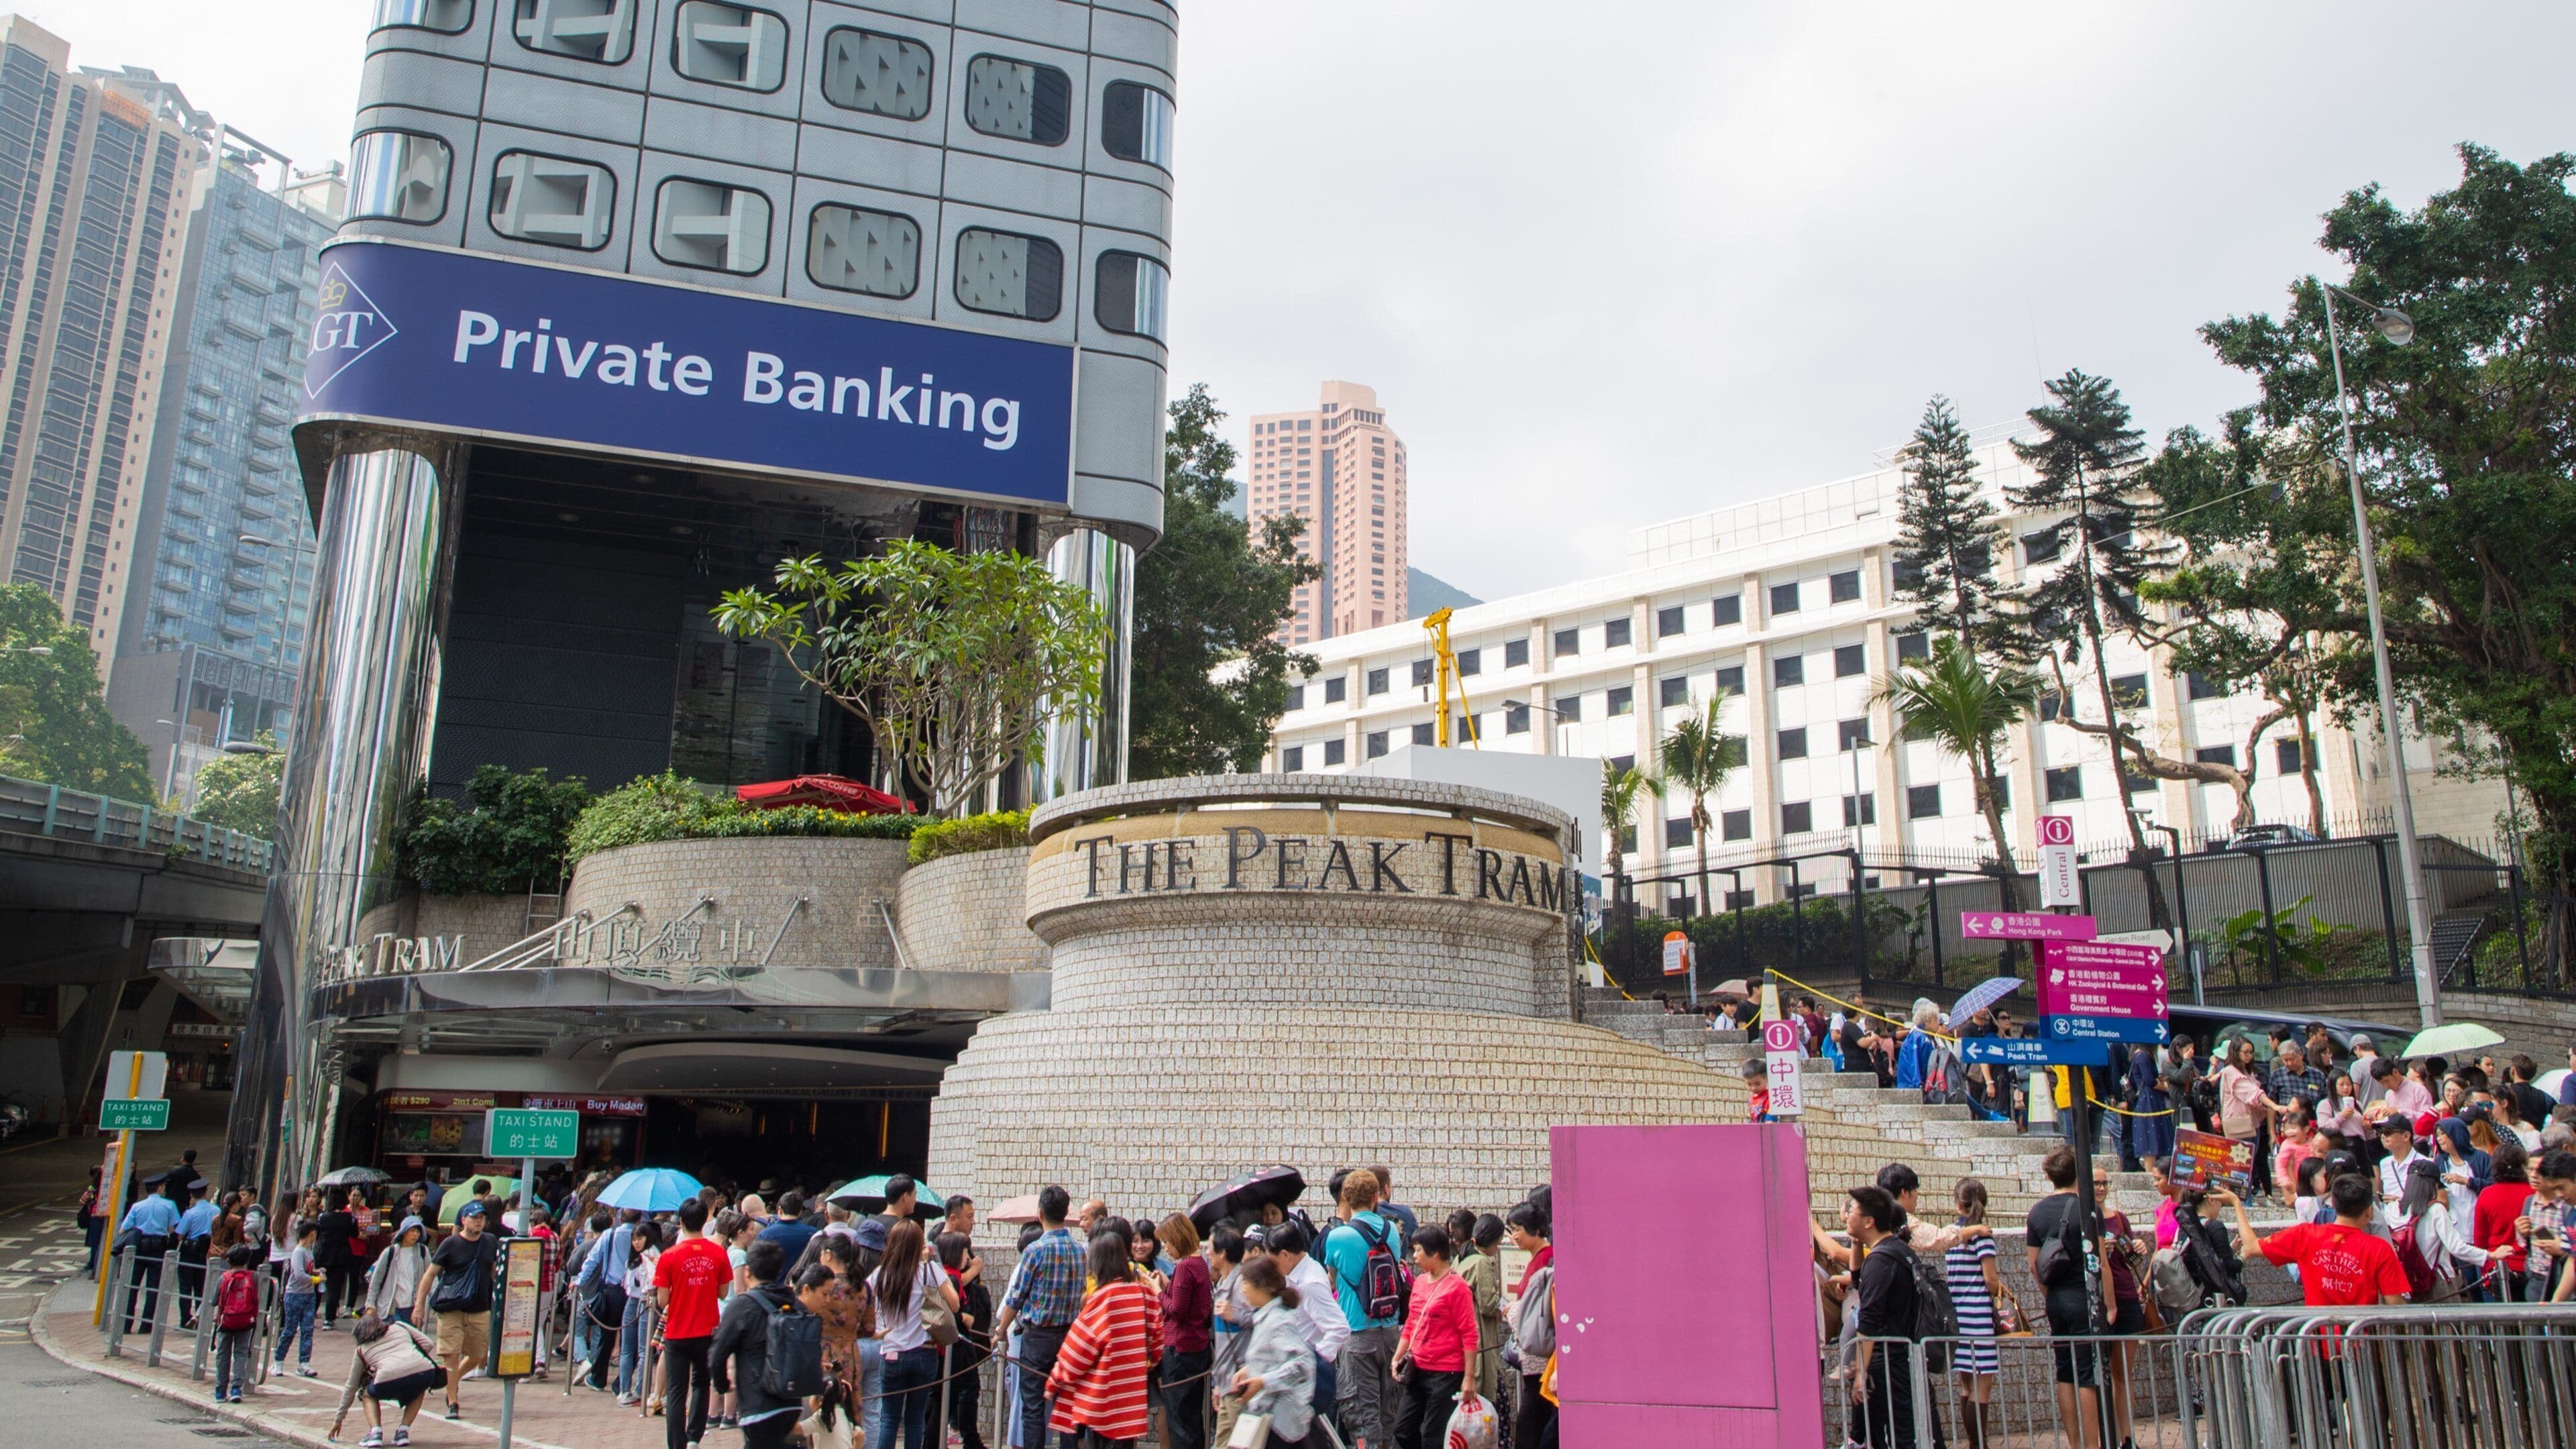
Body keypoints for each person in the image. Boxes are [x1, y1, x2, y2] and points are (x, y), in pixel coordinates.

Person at [2217, 1174, 2409, 1306]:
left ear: (2333, 1204)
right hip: (2364, 1346)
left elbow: (2250, 1246)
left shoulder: (2305, 1235)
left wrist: (2236, 1204)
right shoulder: (2379, 1249)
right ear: (2369, 1211)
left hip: (2317, 1344)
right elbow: (2394, 1304)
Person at [1048, 1230, 1164, 1447]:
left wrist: (1057, 1377)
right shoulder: (1144, 1293)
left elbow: (1078, 1348)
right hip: (1132, 1394)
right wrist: (1147, 1362)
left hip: (1102, 1394)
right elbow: (1157, 1339)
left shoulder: (1101, 1299)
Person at [2024, 1145, 2106, 1449]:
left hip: (2056, 1299)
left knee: (2065, 1371)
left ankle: (2074, 1443)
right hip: (2084, 1298)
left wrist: (2049, 1295)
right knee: (2087, 1374)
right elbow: (2100, 1263)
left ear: (2048, 1176)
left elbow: (2035, 1266)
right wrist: (2108, 1304)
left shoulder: (2037, 1212)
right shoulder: (2087, 1209)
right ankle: (2091, 1444)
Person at [1321, 1168, 1405, 1448]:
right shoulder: (1391, 1230)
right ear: (1375, 1196)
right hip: (1391, 1332)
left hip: (1357, 1335)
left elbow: (1333, 1278)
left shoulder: (1337, 1237)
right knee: (1387, 1414)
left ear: (1346, 1197)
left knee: (1361, 1415)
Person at [996, 1186, 1084, 1449]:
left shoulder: (1034, 1250)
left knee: (1033, 1406)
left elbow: (1016, 1296)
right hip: (1069, 1336)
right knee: (1067, 1406)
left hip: (1037, 1337)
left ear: (1040, 1213)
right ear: (1067, 1212)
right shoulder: (1080, 1251)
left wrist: (1001, 1330)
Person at [870, 1219, 958, 1449]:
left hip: (890, 1353)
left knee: (888, 1419)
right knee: (915, 1418)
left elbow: (865, 1305)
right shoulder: (928, 1271)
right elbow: (955, 1304)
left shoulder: (880, 1274)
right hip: (923, 1353)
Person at [1845, 1185, 1922, 1449]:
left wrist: (1861, 1373)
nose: (1846, 1216)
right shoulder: (1896, 1251)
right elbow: (1860, 1284)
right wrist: (1856, 1244)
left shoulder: (1881, 1261)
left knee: (1892, 1437)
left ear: (1869, 1221)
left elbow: (1869, 1319)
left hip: (1886, 1364)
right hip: (1897, 1359)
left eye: (1852, 1211)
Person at [710, 1241, 803, 1449]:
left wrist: (722, 1384)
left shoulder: (742, 1306)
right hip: (791, 1401)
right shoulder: (795, 1303)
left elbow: (717, 1353)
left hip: (757, 1404)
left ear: (747, 1271)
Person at [656, 1197, 732, 1449]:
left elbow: (662, 1299)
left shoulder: (668, 1256)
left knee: (677, 1391)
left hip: (677, 1331)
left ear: (680, 1222)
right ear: (705, 1221)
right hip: (707, 1329)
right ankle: (694, 1438)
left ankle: (676, 1444)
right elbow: (723, 1293)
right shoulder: (718, 1253)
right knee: (701, 1382)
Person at [1391, 1224, 1474, 1449]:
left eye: (1418, 1250)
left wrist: (1469, 1377)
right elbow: (1411, 1324)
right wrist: (1397, 1357)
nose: (1414, 1257)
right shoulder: (1419, 1282)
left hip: (1446, 1373)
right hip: (1418, 1368)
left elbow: (1469, 1333)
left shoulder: (1458, 1287)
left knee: (1434, 1435)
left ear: (1434, 1253)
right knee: (1403, 1430)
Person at [417, 1199, 500, 1420]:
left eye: (481, 1218)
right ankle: (453, 1400)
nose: (478, 1222)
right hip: (452, 1307)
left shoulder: (490, 1242)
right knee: (451, 1355)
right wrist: (419, 1305)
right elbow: (430, 1274)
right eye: (474, 1218)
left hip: (480, 1307)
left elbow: (493, 1271)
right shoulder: (451, 1244)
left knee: (478, 1355)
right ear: (463, 1220)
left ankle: (449, 1380)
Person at [1229, 1255, 1320, 1449]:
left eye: (1246, 1283)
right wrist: (1249, 1370)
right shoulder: (1266, 1318)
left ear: (1265, 1286)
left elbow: (1303, 1362)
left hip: (1281, 1425)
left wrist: (1263, 1381)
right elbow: (1277, 1359)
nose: (1243, 1290)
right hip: (1269, 1420)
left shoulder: (1277, 1321)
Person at [1945, 1180, 2004, 1449]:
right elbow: (1990, 1282)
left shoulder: (1954, 1235)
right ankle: (1978, 1445)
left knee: (1966, 1388)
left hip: (1958, 1317)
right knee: (1981, 1391)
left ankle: (1973, 1443)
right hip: (1978, 1317)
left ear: (1958, 1205)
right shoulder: (1983, 1236)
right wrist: (2007, 1293)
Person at [330, 1311, 445, 1447]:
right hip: (424, 1372)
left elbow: (351, 1386)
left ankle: (375, 1432)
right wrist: (411, 1358)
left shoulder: (361, 1350)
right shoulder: (400, 1326)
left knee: (367, 1395)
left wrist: (339, 1419)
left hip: (387, 1377)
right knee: (419, 1390)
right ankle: (403, 1431)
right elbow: (428, 1343)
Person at [1157, 1214, 1213, 1449]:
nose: (1167, 1249)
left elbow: (1177, 1311)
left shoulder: (1185, 1267)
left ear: (1177, 1239)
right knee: (1192, 1418)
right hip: (1197, 1348)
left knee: (1179, 1420)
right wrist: (1168, 1286)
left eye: (1168, 1242)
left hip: (1180, 1350)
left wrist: (1157, 1291)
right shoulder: (1200, 1264)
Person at [1503, 1201, 1554, 1449]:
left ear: (1534, 1229)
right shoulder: (1538, 1258)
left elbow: (1536, 1313)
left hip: (1541, 1359)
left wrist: (1511, 1312)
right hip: (1533, 1359)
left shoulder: (1546, 1261)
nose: (1514, 1236)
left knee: (1529, 1428)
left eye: (1517, 1229)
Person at [938, 1230, 991, 1449]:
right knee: (967, 1388)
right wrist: (964, 1317)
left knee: (962, 1389)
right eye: (963, 1252)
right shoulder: (950, 1278)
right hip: (958, 1343)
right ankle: (969, 1437)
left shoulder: (950, 1276)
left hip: (959, 1343)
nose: (967, 1258)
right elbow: (950, 1309)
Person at [117, 1176, 183, 1332]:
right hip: (158, 1248)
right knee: (153, 1287)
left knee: (132, 1285)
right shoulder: (169, 1205)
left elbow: (123, 1229)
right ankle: (146, 1325)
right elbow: (172, 1229)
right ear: (159, 1188)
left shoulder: (137, 1206)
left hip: (138, 1248)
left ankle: (126, 1325)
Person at [1456, 1214, 1507, 1409]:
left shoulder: (1464, 1259)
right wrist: (1510, 1305)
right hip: (1479, 1333)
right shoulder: (1483, 1262)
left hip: (1465, 1331)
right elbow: (1488, 1304)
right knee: (1483, 1397)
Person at [210, 1244, 262, 1405]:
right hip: (246, 1321)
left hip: (226, 1321)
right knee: (240, 1354)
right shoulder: (254, 1277)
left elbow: (214, 1301)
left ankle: (220, 1391)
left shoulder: (224, 1278)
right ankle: (236, 1389)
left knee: (223, 1355)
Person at [276, 1219, 324, 1376]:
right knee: (290, 1330)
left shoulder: (309, 1251)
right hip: (295, 1295)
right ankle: (278, 1361)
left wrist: (316, 1272)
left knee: (307, 1330)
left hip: (308, 1295)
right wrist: (316, 1280)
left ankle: (304, 1363)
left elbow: (307, 1270)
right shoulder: (298, 1252)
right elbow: (299, 1274)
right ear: (311, 1234)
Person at [368, 1218, 429, 1326]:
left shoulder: (423, 1252)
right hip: (391, 1308)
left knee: (410, 1339)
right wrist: (370, 1304)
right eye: (412, 1231)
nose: (415, 1235)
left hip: (412, 1308)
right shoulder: (390, 1252)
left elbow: (430, 1278)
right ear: (404, 1232)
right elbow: (376, 1280)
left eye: (418, 1231)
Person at [315, 1189, 362, 1331]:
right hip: (340, 1256)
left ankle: (311, 1315)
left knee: (318, 1287)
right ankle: (329, 1319)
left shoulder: (322, 1217)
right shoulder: (348, 1218)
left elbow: (318, 1234)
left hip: (323, 1255)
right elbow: (354, 1233)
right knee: (334, 1289)